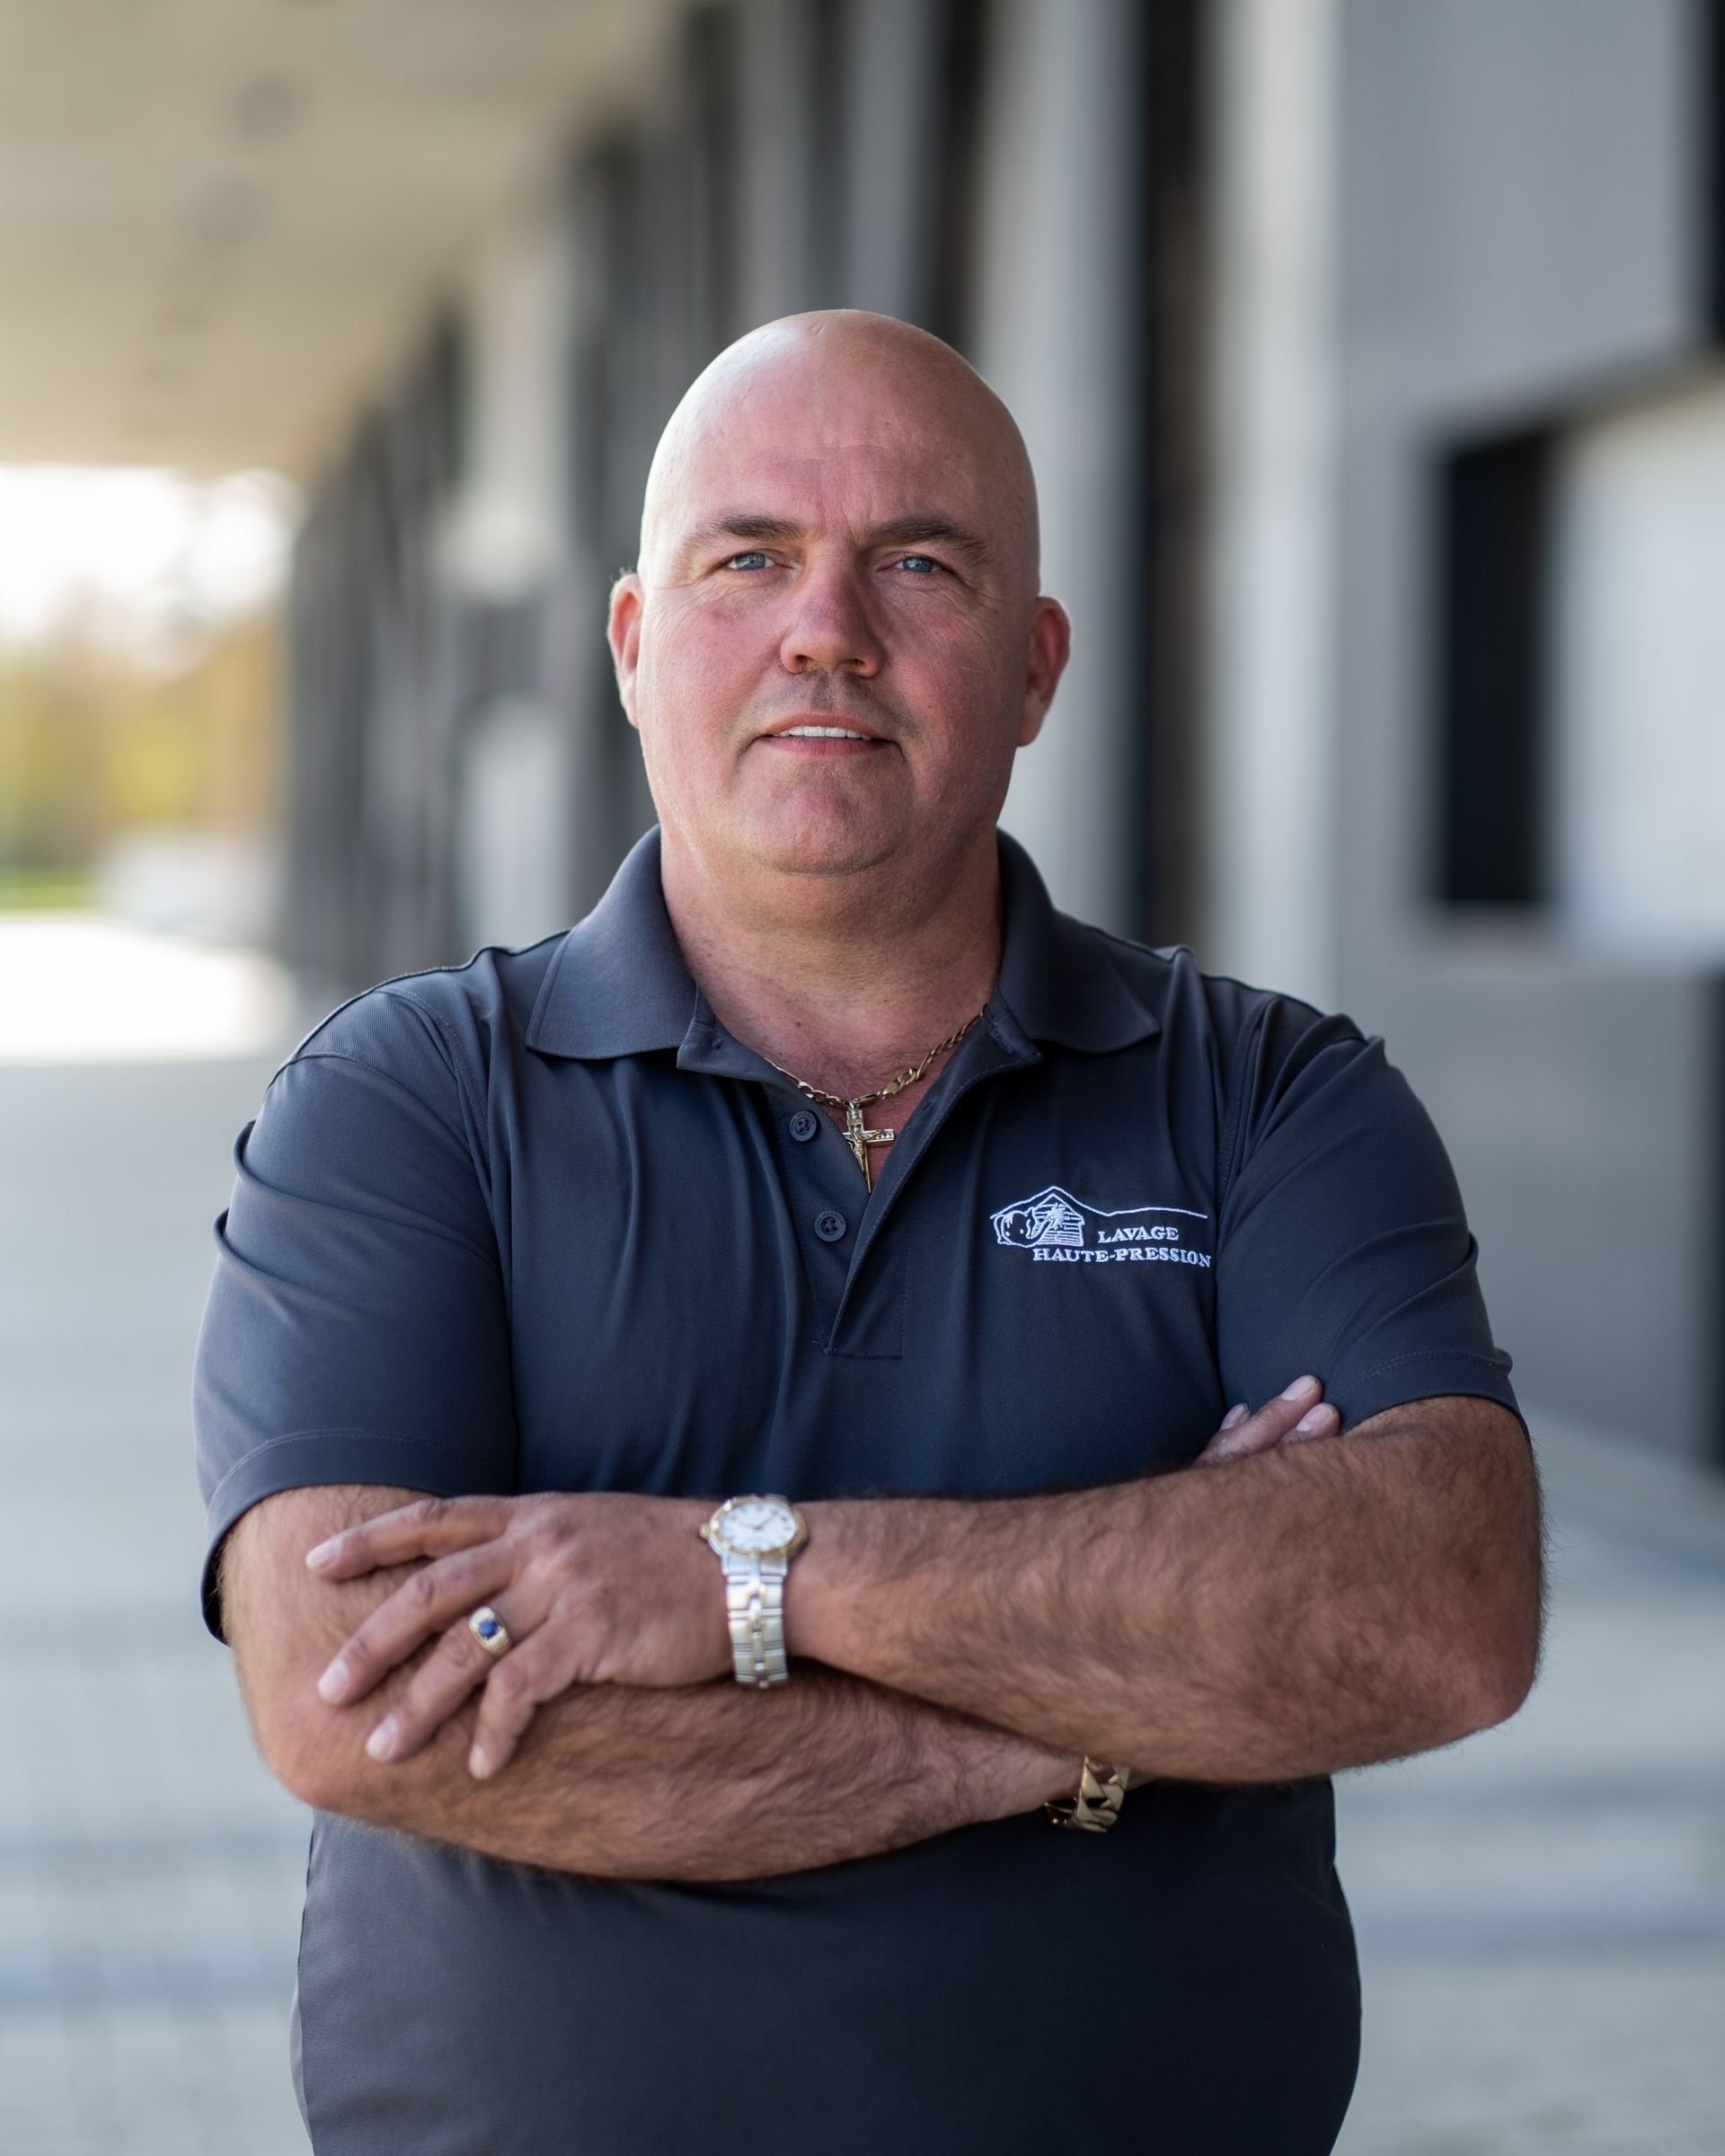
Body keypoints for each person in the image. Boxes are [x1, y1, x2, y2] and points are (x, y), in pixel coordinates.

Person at [195, 310, 1543, 2155]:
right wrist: (1084, 1729)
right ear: (633, 641)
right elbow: (369, 1715)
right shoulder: (411, 1104)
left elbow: (1438, 1613)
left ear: (1039, 664)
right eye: (748, 558)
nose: (828, 626)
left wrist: (737, 1581)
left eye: (920, 559)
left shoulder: (1266, 1099)